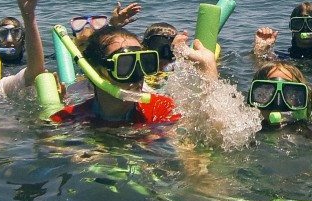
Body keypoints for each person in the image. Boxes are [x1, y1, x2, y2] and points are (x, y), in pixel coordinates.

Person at [49, 26, 218, 127]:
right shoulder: (68, 119)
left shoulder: (161, 109)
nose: (138, 75)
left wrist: (208, 70)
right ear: (96, 71)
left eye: (145, 62)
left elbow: (210, 137)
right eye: (126, 65)